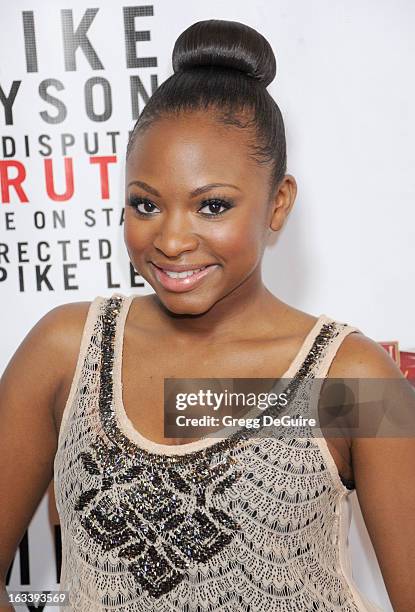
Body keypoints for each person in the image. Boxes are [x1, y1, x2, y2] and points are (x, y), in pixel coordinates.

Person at [0, 18, 414, 612]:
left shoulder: (351, 381)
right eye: (146, 203)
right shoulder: (65, 350)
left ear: (278, 204)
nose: (170, 239)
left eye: (211, 205)